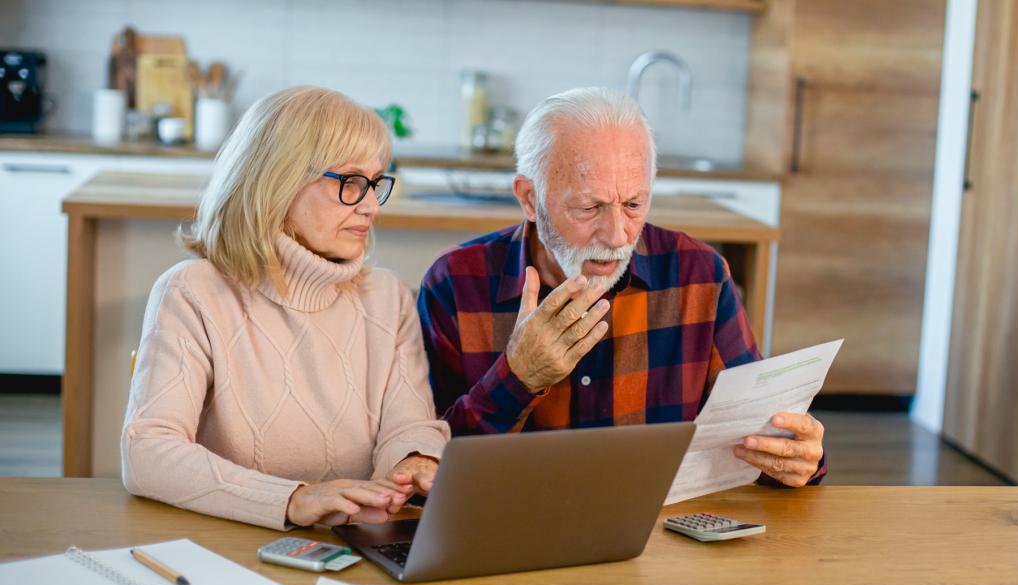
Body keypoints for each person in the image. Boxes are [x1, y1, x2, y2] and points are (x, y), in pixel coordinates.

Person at [418, 87, 825, 488]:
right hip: (504, 530)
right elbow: (425, 471)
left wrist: (797, 456)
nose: (617, 236)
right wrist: (518, 377)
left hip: (658, 539)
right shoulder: (454, 284)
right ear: (529, 198)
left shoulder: (699, 275)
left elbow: (758, 436)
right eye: (589, 207)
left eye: (633, 205)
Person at [122, 86, 448, 530]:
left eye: (375, 183)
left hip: (351, 544)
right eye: (351, 183)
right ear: (279, 180)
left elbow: (408, 425)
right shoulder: (191, 292)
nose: (371, 206)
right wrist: (293, 499)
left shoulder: (388, 298)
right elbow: (147, 453)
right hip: (226, 543)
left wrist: (413, 461)